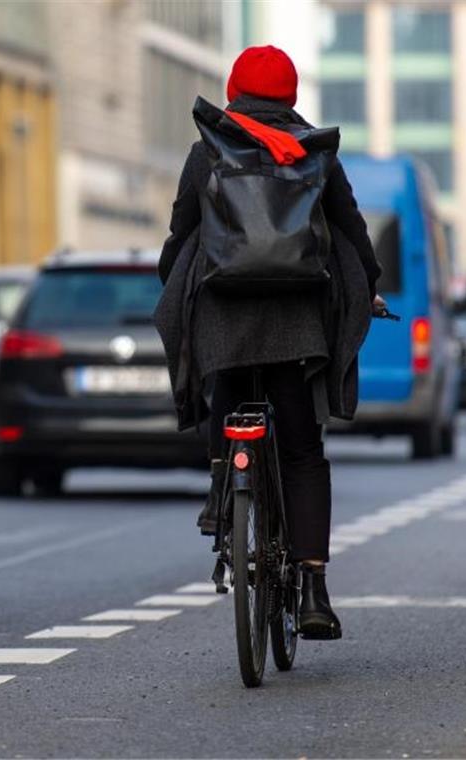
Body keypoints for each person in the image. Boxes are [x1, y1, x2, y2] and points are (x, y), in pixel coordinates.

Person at [155, 45, 385, 640]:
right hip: (298, 324)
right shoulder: (316, 154)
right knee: (303, 452)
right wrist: (370, 291)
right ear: (290, 95)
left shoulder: (207, 152)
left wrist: (173, 284)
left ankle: (219, 486)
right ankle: (313, 589)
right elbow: (353, 237)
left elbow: (182, 235)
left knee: (223, 393)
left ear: (234, 91)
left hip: (223, 319)